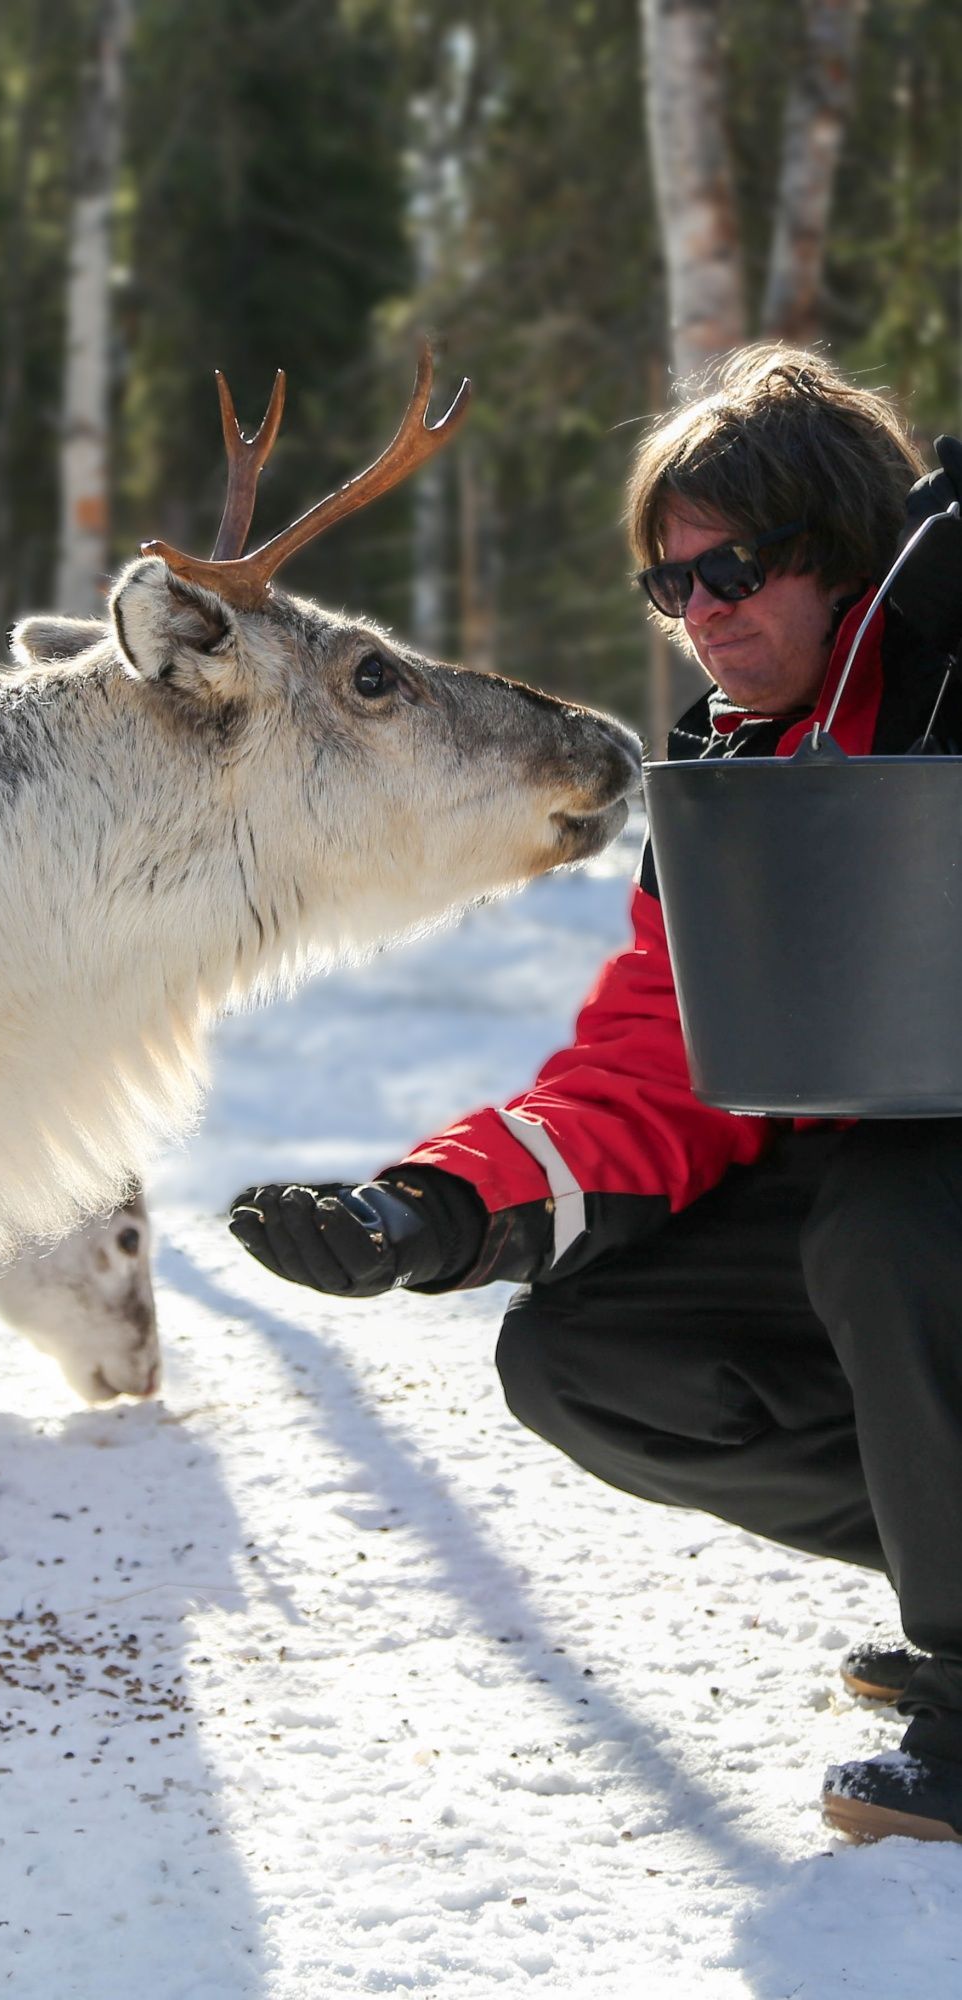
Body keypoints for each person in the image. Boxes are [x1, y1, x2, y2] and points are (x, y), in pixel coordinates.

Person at [228, 344, 962, 1845]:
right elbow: (654, 1061)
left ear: (841, 558)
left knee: (886, 1221)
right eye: (668, 587)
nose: (700, 617)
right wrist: (431, 1209)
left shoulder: (949, 661)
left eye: (735, 571)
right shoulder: (732, 771)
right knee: (585, 1354)